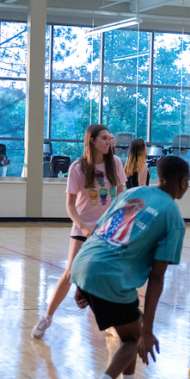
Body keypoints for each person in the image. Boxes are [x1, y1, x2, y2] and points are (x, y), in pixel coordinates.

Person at [71, 155, 190, 379]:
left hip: (86, 264)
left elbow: (101, 230)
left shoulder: (134, 192)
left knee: (130, 325)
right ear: (183, 182)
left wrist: (82, 283)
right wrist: (147, 331)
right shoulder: (173, 217)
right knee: (133, 338)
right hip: (109, 275)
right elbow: (157, 277)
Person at [32, 124, 125, 339]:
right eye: (104, 138)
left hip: (106, 228)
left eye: (110, 138)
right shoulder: (77, 168)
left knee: (105, 275)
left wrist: (116, 221)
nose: (109, 142)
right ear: (91, 140)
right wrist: (83, 226)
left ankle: (108, 321)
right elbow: (71, 206)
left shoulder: (116, 164)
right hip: (83, 226)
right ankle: (47, 317)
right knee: (70, 273)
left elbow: (121, 196)